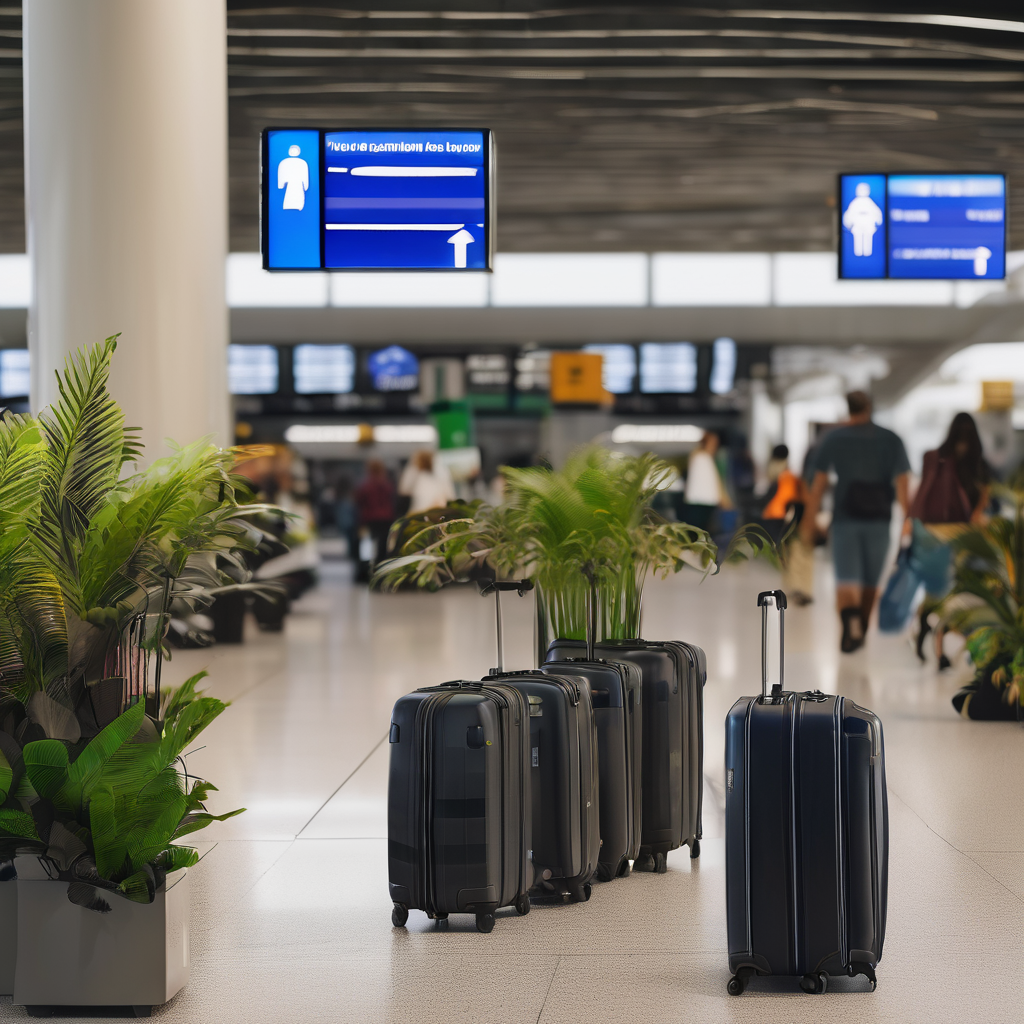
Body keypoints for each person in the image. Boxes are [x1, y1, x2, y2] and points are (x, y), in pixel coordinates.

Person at [801, 391, 911, 653]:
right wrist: (908, 517)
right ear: (870, 407)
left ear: (848, 408)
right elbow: (903, 482)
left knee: (846, 578)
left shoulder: (834, 438)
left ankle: (850, 622)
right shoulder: (891, 439)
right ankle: (860, 623)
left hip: (845, 518)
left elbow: (817, 483)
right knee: (871, 580)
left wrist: (809, 520)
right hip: (880, 519)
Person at [908, 412, 990, 668]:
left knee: (941, 591)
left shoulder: (941, 459)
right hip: (964, 538)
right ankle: (938, 643)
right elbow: (983, 501)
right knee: (954, 591)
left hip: (940, 535)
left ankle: (932, 639)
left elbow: (923, 494)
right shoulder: (977, 463)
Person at [761, 444, 813, 606]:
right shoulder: (790, 475)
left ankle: (795, 587)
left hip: (778, 514)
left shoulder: (775, 470)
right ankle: (798, 588)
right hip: (789, 514)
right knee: (798, 552)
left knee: (791, 552)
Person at [354, 459, 396, 584]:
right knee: (383, 548)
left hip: (369, 520)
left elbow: (359, 502)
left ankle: (365, 574)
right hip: (386, 519)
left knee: (366, 548)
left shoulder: (365, 485)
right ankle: (381, 574)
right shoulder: (387, 485)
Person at [684, 431, 728, 531]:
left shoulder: (699, 456)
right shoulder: (703, 457)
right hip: (702, 501)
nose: (715, 446)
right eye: (713, 443)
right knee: (699, 531)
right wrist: (723, 499)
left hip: (701, 501)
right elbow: (714, 481)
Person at [398, 449, 455, 515]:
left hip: (427, 512)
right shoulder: (437, 475)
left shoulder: (421, 478)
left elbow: (404, 489)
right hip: (435, 512)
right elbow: (450, 495)